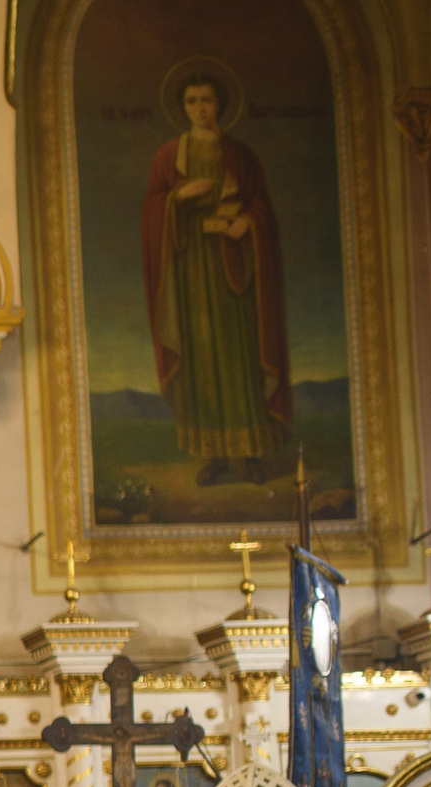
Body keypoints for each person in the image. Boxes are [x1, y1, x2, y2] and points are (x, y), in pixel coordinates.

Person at [139, 67, 289, 486]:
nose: (200, 109)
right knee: (203, 360)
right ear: (182, 107)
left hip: (234, 271)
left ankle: (252, 451)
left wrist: (247, 223)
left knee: (241, 355)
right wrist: (177, 197)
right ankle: (218, 455)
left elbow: (262, 209)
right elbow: (151, 211)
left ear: (220, 104)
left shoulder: (241, 156)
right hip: (190, 272)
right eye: (192, 101)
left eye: (206, 100)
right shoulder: (168, 157)